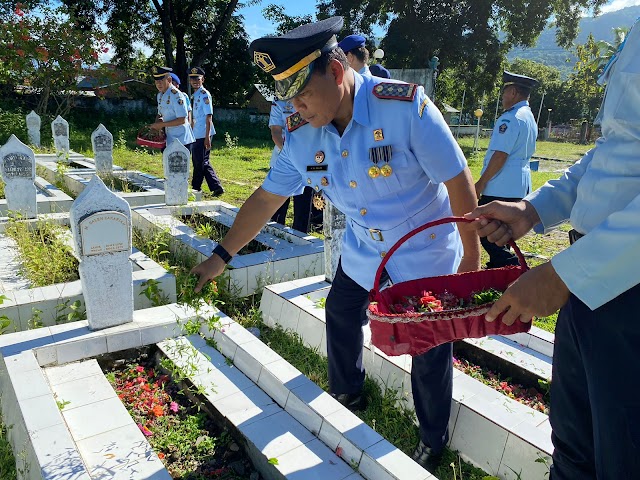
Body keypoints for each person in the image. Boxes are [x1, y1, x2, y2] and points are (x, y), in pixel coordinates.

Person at [191, 17, 481, 472]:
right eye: (288, 98)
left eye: (303, 94)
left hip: (423, 246)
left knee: (427, 342)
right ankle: (347, 388)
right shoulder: (301, 135)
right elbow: (267, 198)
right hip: (365, 247)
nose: (298, 107)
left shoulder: (402, 107)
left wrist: (471, 253)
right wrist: (221, 256)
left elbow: (456, 177)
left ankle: (432, 433)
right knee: (340, 311)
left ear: (338, 72)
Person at [465, 19, 640, 480]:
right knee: (573, 443)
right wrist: (533, 208)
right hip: (589, 280)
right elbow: (613, 150)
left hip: (626, 285)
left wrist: (564, 275)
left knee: (623, 453)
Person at [474, 71, 538, 268]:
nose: (502, 98)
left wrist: (481, 183)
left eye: (504, 93)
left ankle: (509, 266)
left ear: (513, 92)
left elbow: (500, 155)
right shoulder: (528, 117)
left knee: (487, 231)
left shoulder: (510, 119)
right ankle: (502, 267)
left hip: (500, 186)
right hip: (518, 185)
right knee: (504, 233)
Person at [268, 98, 317, 233]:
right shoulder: (279, 103)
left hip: (308, 159)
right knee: (278, 204)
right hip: (284, 159)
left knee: (303, 204)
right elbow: (276, 132)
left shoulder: (312, 97)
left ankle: (301, 238)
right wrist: (290, 155)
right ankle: (274, 237)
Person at [188, 67, 224, 196]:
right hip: (197, 132)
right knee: (201, 161)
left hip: (204, 132)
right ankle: (215, 187)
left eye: (197, 79)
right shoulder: (196, 94)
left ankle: (196, 188)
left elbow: (209, 117)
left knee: (200, 162)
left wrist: (207, 136)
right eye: (192, 79)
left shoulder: (204, 94)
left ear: (202, 79)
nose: (195, 81)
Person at [150, 66, 194, 152]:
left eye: (161, 81)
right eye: (156, 81)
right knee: (167, 164)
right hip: (169, 137)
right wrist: (156, 126)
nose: (158, 84)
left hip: (182, 139)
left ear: (169, 80)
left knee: (179, 164)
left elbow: (182, 120)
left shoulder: (177, 95)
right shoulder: (160, 95)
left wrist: (161, 125)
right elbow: (160, 114)